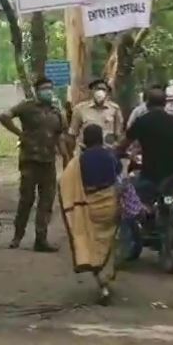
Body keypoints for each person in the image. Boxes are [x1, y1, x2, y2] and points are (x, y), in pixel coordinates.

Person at [0, 77, 68, 252]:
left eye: (50, 88)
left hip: (49, 162)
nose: (48, 91)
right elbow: (4, 116)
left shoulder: (56, 111)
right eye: (45, 88)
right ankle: (17, 236)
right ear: (37, 91)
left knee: (46, 202)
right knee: (26, 200)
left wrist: (67, 158)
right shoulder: (27, 107)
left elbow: (60, 136)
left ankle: (41, 239)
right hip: (30, 160)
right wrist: (19, 133)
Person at [59, 124, 122, 306]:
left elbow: (64, 181)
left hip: (91, 207)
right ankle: (107, 279)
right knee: (108, 241)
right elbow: (118, 173)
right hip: (110, 205)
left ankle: (102, 282)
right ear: (101, 138)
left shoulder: (79, 161)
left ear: (85, 140)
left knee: (93, 243)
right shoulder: (110, 155)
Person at [117, 87, 173, 199]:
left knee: (135, 199)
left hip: (149, 176)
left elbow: (124, 144)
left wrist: (119, 151)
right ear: (165, 104)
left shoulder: (142, 121)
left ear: (147, 104)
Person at [69, 79, 124, 153]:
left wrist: (116, 149)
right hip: (86, 152)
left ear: (107, 93)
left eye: (103, 89)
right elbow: (73, 133)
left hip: (107, 151)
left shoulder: (114, 109)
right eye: (97, 89)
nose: (100, 92)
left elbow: (118, 134)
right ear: (91, 91)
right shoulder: (80, 109)